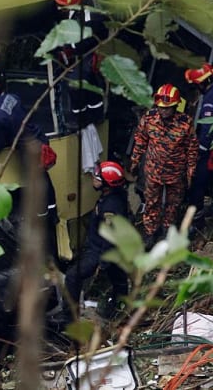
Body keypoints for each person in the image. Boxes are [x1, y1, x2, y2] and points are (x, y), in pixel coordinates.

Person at [0, 76, 58, 222]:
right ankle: (50, 212)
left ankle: (44, 216)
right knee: (43, 179)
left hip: (28, 151)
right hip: (38, 138)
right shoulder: (10, 97)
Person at [130, 84, 198, 246]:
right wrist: (134, 161)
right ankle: (150, 233)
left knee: (173, 205)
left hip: (176, 173)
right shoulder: (149, 119)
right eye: (160, 107)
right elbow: (140, 140)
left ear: (175, 106)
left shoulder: (185, 123)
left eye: (167, 108)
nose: (163, 111)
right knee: (151, 203)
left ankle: (167, 231)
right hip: (153, 171)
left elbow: (192, 148)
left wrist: (191, 170)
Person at [63, 161, 130, 320]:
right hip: (110, 250)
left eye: (97, 178)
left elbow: (110, 236)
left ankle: (68, 317)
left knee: (72, 277)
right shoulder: (111, 198)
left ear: (107, 184)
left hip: (101, 251)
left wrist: (102, 263)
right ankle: (120, 308)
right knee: (118, 279)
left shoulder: (111, 206)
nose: (93, 178)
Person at [185, 63, 213, 227]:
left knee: (198, 184)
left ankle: (196, 222)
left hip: (207, 152)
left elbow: (208, 128)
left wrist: (200, 151)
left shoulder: (209, 99)